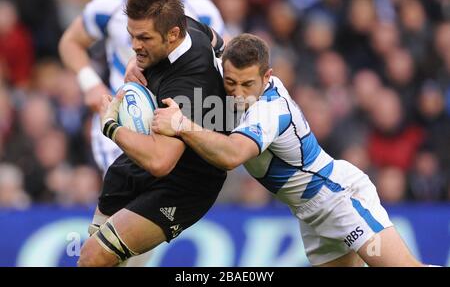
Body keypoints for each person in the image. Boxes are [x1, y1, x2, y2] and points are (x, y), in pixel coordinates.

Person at [149, 33, 426, 267]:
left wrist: (181, 124)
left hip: (338, 197)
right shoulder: (238, 76)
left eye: (248, 85)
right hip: (310, 212)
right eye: (231, 83)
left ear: (267, 76)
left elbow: (231, 155)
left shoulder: (269, 111)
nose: (237, 93)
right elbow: (201, 33)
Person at [76, 0, 227, 267]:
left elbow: (160, 162)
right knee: (99, 260)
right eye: (132, 36)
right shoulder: (187, 26)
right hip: (138, 161)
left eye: (143, 38)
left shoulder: (190, 84)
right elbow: (216, 39)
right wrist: (137, 59)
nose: (134, 45)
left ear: (172, 35)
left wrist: (110, 126)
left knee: (94, 257)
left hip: (184, 184)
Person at [59, 0, 225, 173]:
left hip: (176, 124)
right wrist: (91, 85)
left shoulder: (202, 10)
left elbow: (218, 61)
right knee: (123, 196)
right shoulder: (107, 6)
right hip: (123, 119)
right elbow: (70, 42)